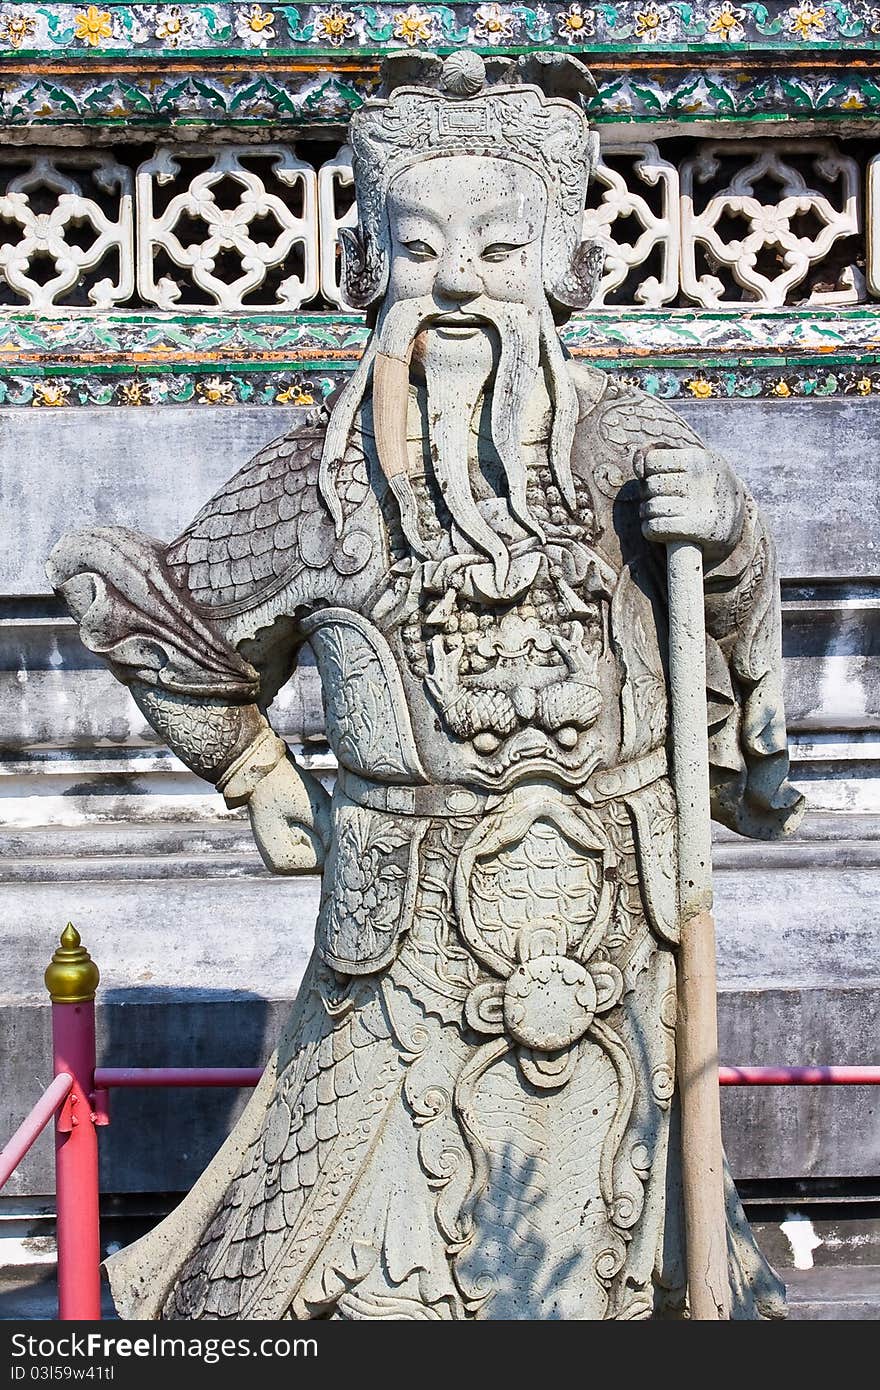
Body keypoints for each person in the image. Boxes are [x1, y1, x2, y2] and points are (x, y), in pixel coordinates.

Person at [48, 51, 803, 1320]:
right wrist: (250, 766)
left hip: (614, 936)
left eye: (500, 253)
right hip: (396, 956)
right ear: (366, 272)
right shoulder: (314, 484)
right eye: (418, 251)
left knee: (636, 1250)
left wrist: (727, 535)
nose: (456, 283)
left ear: (564, 272)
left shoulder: (623, 450)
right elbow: (146, 605)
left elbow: (722, 625)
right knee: (291, 1278)